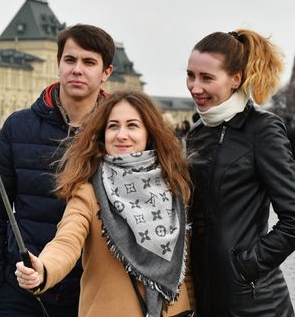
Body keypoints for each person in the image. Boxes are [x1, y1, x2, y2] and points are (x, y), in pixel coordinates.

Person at [0, 24, 116, 317]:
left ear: (106, 72)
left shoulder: (119, 133)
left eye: (89, 62)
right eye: (70, 60)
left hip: (90, 289)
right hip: (21, 287)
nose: (77, 69)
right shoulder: (18, 126)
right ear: (59, 64)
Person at [15, 91, 193, 316]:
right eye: (113, 126)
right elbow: (66, 241)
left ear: (149, 133)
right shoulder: (88, 192)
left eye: (132, 125)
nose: (121, 135)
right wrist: (44, 269)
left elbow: (184, 266)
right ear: (102, 134)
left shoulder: (173, 186)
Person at [185, 30, 295, 316]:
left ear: (236, 79)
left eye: (207, 78)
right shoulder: (196, 133)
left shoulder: (262, 129)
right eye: (191, 75)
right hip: (203, 297)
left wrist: (245, 266)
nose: (195, 87)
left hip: (254, 302)